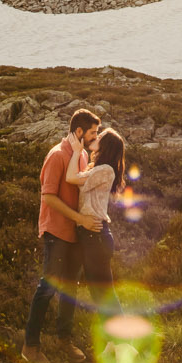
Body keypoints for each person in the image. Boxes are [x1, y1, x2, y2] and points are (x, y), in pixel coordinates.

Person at [22, 108, 103, 362]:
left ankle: (63, 341)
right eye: (92, 133)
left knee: (70, 289)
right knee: (47, 288)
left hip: (74, 235)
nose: (95, 137)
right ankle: (30, 347)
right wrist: (80, 219)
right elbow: (47, 197)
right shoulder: (57, 156)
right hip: (57, 232)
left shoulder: (79, 156)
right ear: (79, 132)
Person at [67, 129, 126, 318]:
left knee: (105, 295)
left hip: (97, 235)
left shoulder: (105, 170)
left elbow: (71, 178)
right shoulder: (96, 168)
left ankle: (125, 343)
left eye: (100, 137)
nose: (96, 137)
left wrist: (77, 151)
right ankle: (112, 343)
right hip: (91, 235)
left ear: (106, 145)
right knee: (98, 294)